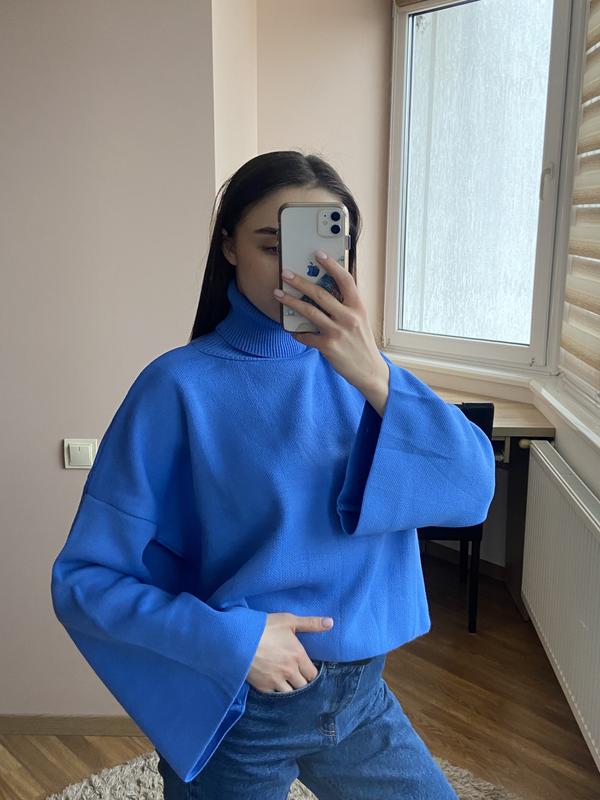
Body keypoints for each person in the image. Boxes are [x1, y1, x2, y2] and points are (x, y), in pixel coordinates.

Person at [51, 150, 495, 799]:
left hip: (362, 699)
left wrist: (375, 374)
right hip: (244, 708)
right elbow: (84, 582)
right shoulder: (177, 387)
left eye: (322, 249)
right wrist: (235, 641)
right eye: (270, 244)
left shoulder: (374, 383)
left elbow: (472, 493)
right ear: (229, 245)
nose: (298, 271)